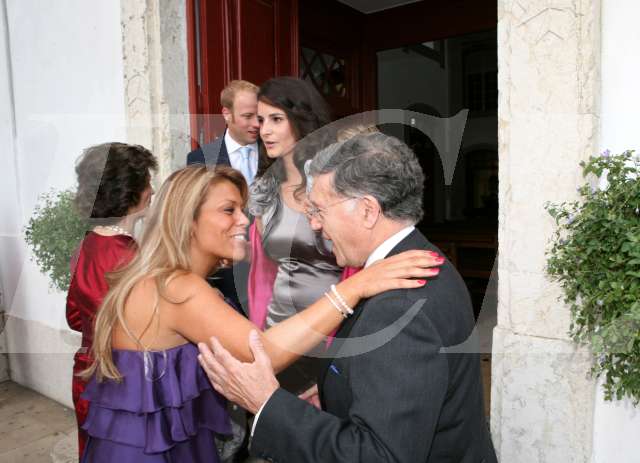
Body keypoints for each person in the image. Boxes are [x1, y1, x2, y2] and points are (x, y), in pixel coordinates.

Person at [79, 164, 443, 462]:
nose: (244, 220)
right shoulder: (177, 288)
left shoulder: (171, 281)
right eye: (228, 210)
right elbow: (262, 352)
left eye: (242, 209)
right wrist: (355, 287)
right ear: (187, 220)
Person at [199, 133, 499, 463]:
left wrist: (267, 404)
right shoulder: (424, 256)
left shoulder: (397, 305)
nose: (314, 224)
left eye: (319, 209)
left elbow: (378, 456)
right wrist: (336, 394)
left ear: (368, 210)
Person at [248, 76, 352, 394]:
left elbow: (362, 265)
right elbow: (261, 275)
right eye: (261, 120)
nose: (265, 131)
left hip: (335, 335)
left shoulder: (338, 183)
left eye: (276, 119)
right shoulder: (264, 190)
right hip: (280, 332)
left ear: (302, 120)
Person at [66, 142, 157, 458]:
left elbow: (74, 317)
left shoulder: (86, 246)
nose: (152, 190)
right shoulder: (134, 260)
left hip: (87, 376)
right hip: (126, 386)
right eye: (147, 182)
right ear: (129, 192)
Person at [187, 79, 267, 314]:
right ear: (226, 114)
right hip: (224, 281)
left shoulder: (275, 152)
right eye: (248, 116)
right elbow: (193, 223)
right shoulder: (201, 159)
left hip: (269, 276)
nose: (256, 124)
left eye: (259, 117)